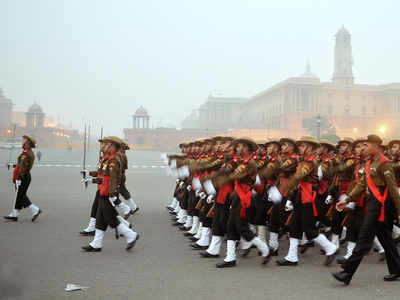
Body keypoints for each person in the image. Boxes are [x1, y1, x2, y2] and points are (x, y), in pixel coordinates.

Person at [332, 135, 400, 285]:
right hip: (372, 202)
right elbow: (362, 184)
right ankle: (396, 269)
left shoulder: (384, 163)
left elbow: (393, 189)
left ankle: (347, 273)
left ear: (376, 146)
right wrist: (347, 200)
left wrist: (399, 209)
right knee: (386, 238)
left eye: (366, 145)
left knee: (364, 238)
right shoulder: (369, 163)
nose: (363, 148)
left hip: (380, 205)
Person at [81, 136, 139, 252]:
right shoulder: (107, 159)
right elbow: (102, 176)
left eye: (106, 144)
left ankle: (131, 235)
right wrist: (91, 179)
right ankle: (96, 243)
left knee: (111, 219)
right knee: (101, 219)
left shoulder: (113, 160)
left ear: (112, 146)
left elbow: (112, 179)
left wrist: (112, 195)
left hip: (108, 193)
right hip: (104, 191)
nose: (103, 146)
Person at [4, 135, 42, 222]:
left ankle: (35, 210)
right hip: (25, 175)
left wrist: (19, 178)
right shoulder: (28, 152)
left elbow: (22, 167)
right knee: (20, 195)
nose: (23, 142)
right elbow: (20, 165)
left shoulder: (26, 154)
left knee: (20, 195)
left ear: (28, 144)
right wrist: (12, 165)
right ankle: (15, 214)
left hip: (23, 176)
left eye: (24, 141)